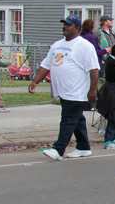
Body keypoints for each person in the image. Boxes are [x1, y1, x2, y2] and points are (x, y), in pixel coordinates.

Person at [29, 14, 100, 160]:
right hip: (63, 92)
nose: (65, 27)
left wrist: (92, 90)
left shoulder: (84, 45)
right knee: (76, 119)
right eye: (64, 24)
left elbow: (94, 69)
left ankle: (58, 149)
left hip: (77, 92)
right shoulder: (57, 45)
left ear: (77, 28)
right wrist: (35, 81)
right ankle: (83, 147)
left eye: (69, 25)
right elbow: (46, 65)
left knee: (68, 119)